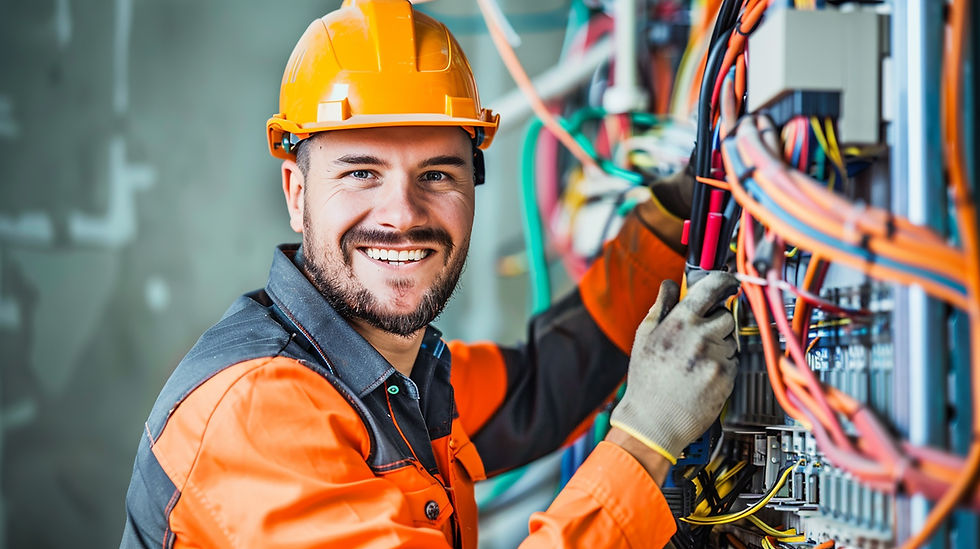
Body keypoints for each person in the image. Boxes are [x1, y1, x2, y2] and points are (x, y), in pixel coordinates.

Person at [120, 1, 738, 547]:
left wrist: (677, 214)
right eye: (361, 172)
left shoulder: (393, 372)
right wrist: (642, 442)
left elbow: (542, 389)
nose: (403, 216)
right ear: (296, 191)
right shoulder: (259, 411)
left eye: (438, 174)